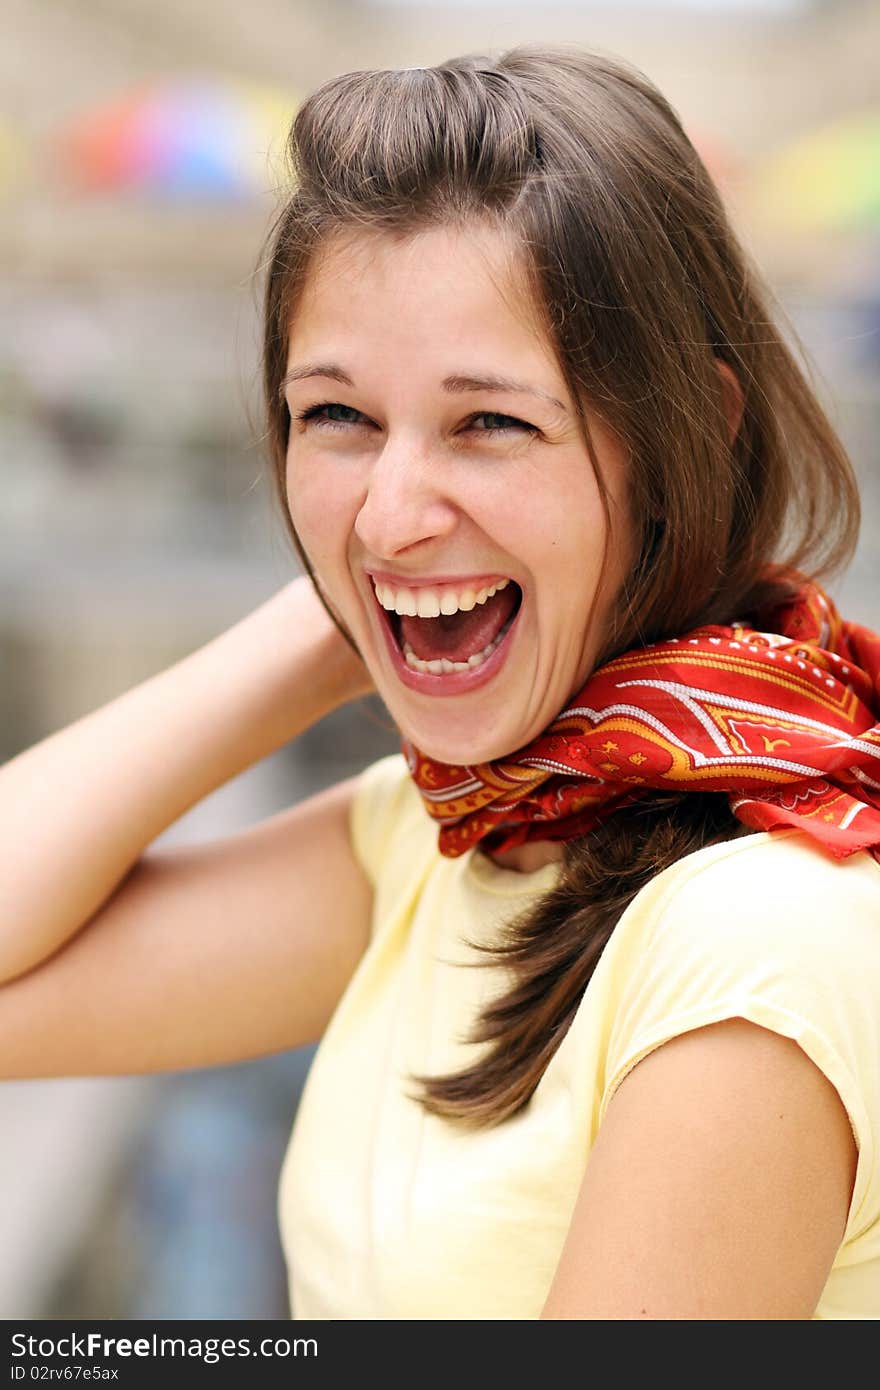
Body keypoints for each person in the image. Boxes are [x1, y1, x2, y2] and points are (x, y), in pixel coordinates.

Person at [2, 43, 879, 1321]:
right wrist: (317, 620)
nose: (393, 510)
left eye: (491, 423)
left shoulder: (752, 942)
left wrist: (370, 571)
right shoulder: (447, 840)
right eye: (336, 417)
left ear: (691, 429)